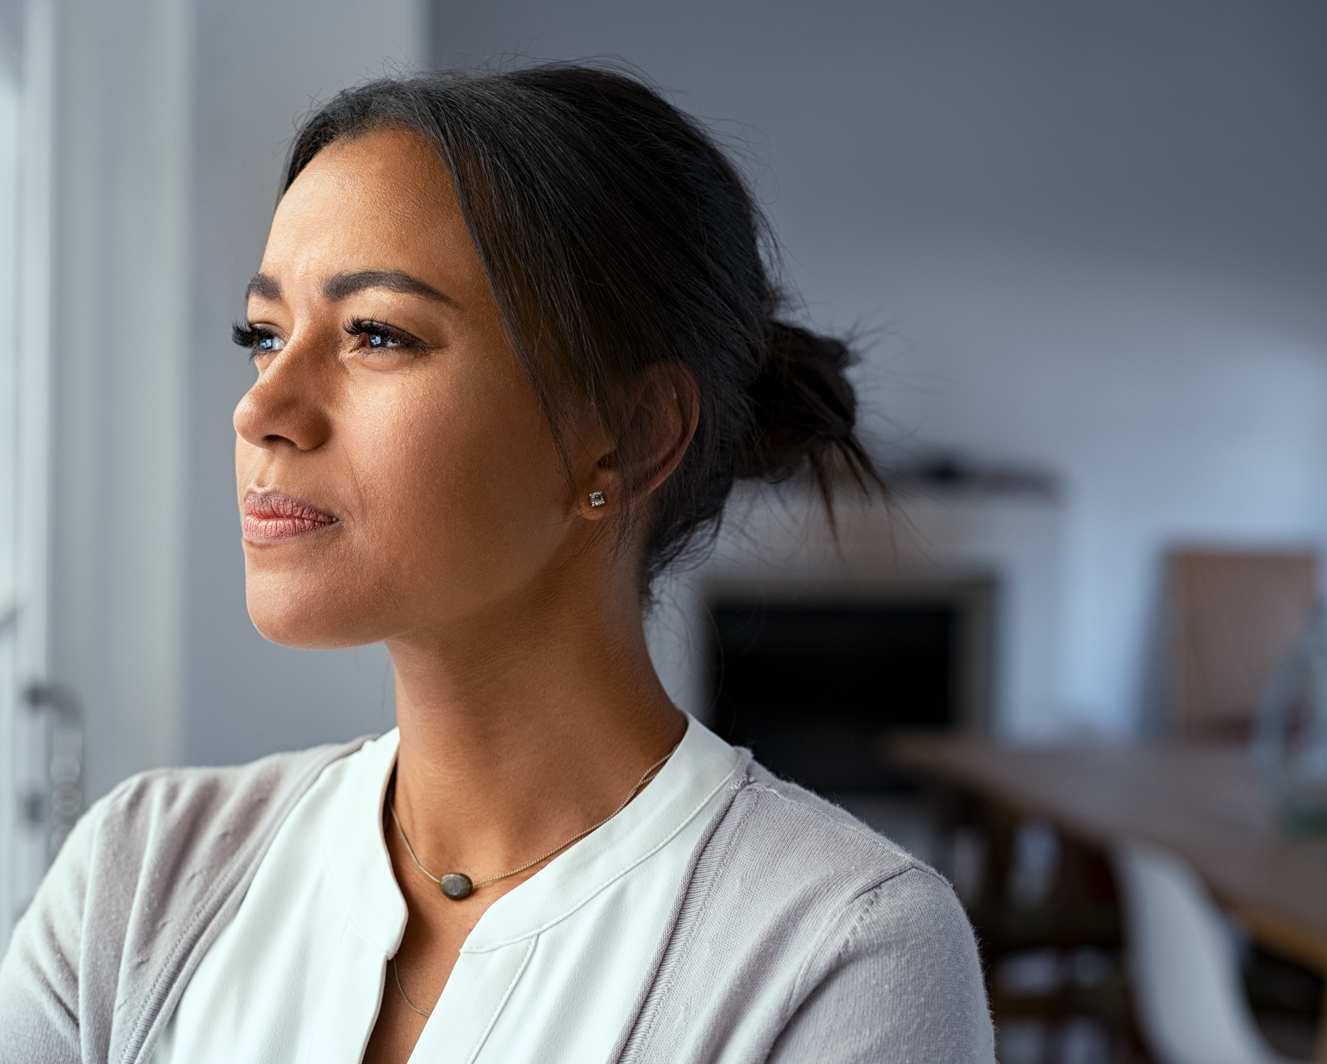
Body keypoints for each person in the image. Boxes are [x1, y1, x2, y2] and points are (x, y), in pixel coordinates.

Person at [0, 65, 992, 1063]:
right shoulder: (137, 879)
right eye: (264, 334)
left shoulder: (842, 954)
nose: (259, 409)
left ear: (629, 434)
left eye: (376, 334)